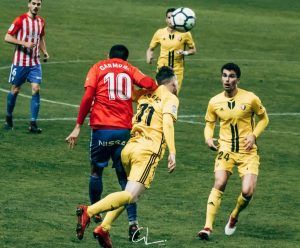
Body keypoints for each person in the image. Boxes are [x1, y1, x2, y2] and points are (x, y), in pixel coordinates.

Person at [74, 66, 179, 248]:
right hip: (147, 151)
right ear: (173, 82)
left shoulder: (145, 93)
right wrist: (172, 152)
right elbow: (168, 124)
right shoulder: (171, 98)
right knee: (130, 195)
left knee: (130, 194)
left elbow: (125, 93)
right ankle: (88, 211)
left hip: (128, 149)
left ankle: (104, 228)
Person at [65, 44, 158, 241]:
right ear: (125, 58)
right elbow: (149, 83)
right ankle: (133, 224)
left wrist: (78, 126)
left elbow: (88, 96)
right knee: (126, 180)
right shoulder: (130, 68)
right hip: (124, 130)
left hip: (101, 129)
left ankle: (94, 211)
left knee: (96, 171)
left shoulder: (98, 67)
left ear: (108, 55)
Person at [198, 63, 269, 240]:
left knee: (247, 192)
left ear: (237, 79)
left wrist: (253, 135)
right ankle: (207, 227)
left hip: (248, 152)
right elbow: (209, 123)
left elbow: (264, 119)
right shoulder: (214, 101)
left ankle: (234, 215)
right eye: (224, 75)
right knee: (220, 182)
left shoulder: (250, 98)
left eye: (231, 76)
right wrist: (208, 138)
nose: (227, 80)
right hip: (226, 149)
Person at [4, 0, 49, 133]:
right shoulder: (20, 20)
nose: (36, 6)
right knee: (15, 90)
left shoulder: (41, 21)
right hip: (20, 62)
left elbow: (40, 38)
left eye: (38, 4)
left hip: (34, 62)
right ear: (28, 4)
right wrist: (23, 43)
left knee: (36, 89)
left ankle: (33, 123)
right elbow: (7, 37)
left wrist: (45, 51)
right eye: (33, 3)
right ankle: (8, 117)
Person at [146, 7, 196, 94]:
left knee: (173, 96)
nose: (171, 20)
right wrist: (149, 56)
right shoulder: (160, 33)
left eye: (173, 17)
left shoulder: (185, 33)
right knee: (159, 96)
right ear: (166, 19)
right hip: (162, 70)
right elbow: (150, 49)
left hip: (177, 71)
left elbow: (193, 50)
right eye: (169, 17)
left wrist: (185, 52)